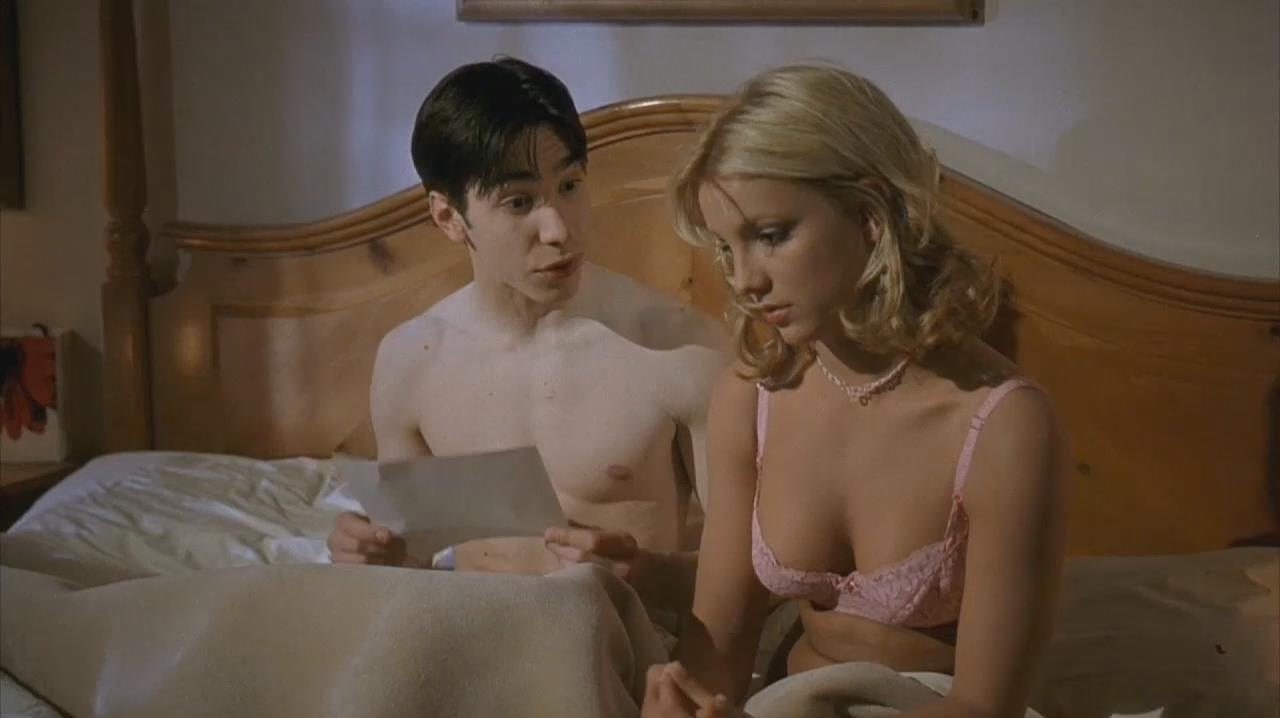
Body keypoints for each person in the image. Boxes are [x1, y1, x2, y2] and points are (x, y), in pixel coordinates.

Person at [642, 64, 1069, 717]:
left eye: (770, 236)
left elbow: (985, 708)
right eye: (726, 249)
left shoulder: (1004, 426)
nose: (745, 280)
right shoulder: (751, 396)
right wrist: (686, 700)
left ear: (870, 214)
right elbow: (718, 643)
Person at [326, 57, 724, 615]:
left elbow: (753, 576)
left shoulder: (681, 351)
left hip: (623, 639)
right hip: (479, 637)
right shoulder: (410, 360)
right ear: (448, 218)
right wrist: (374, 554)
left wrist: (645, 573)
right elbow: (411, 561)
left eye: (570, 185)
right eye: (519, 202)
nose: (559, 229)